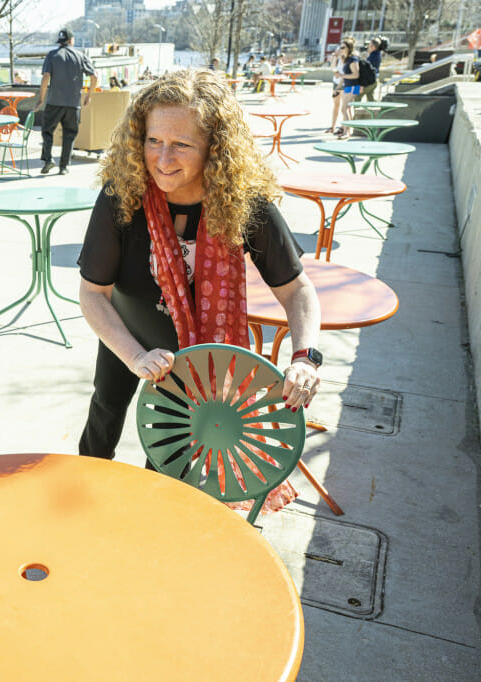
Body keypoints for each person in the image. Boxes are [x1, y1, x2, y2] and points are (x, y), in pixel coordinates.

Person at [76, 69, 321, 513]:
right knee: (105, 416)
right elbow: (92, 294)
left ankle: (156, 527)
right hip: (126, 338)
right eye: (153, 141)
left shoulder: (243, 202)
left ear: (215, 148)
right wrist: (134, 356)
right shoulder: (122, 196)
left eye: (182, 144)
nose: (163, 158)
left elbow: (297, 289)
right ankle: (82, 505)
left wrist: (305, 357)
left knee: (169, 458)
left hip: (200, 365)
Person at [36, 28, 98, 175]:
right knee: (69, 134)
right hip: (73, 103)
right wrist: (89, 95)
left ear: (60, 41)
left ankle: (48, 160)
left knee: (47, 131)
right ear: (71, 41)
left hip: (54, 102)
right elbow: (94, 77)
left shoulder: (52, 55)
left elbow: (46, 77)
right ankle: (63, 167)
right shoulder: (80, 56)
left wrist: (41, 99)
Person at [336, 37, 360, 139]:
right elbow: (345, 74)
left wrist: (342, 76)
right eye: (340, 47)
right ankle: (346, 131)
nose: (341, 49)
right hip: (348, 86)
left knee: (344, 109)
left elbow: (356, 75)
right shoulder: (346, 59)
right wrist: (338, 87)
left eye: (343, 47)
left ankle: (346, 132)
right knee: (346, 109)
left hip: (353, 86)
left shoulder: (353, 60)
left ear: (349, 48)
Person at [325, 46, 345, 134]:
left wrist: (340, 75)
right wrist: (335, 57)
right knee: (336, 104)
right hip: (336, 82)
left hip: (345, 83)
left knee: (344, 107)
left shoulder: (348, 58)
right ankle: (332, 126)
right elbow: (333, 68)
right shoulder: (337, 58)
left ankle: (343, 127)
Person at [359, 37, 383, 102]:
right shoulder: (376, 54)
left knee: (357, 97)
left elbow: (367, 71)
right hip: (374, 80)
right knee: (370, 99)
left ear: (373, 47)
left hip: (370, 81)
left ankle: (356, 111)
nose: (367, 47)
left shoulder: (373, 56)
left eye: (369, 45)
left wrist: (362, 84)